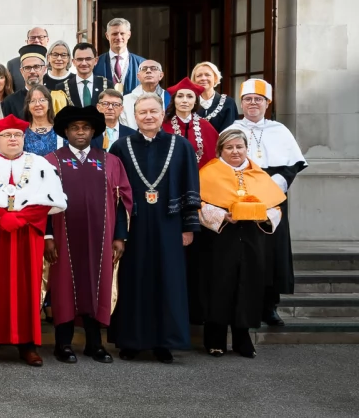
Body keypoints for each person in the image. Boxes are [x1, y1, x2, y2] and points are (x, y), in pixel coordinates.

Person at [0, 114, 67, 367]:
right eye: (7, 135)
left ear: (23, 138)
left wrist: (21, 218)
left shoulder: (39, 164)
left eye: (17, 135)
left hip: (26, 234)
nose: (12, 139)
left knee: (25, 286)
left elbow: (49, 199)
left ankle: (27, 344)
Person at [109, 93, 200, 363]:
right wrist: (118, 233)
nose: (148, 116)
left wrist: (188, 227)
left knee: (168, 281)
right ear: (134, 117)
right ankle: (131, 341)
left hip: (169, 223)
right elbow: (113, 194)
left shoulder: (181, 146)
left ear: (162, 115)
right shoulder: (120, 147)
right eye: (142, 112)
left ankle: (165, 342)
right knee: (133, 280)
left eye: (153, 112)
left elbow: (190, 187)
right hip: (133, 224)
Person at [44, 106, 132, 364]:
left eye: (85, 127)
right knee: (64, 287)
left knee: (97, 285)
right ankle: (63, 344)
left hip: (101, 241)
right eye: (74, 128)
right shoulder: (52, 161)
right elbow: (41, 203)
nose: (80, 132)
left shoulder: (110, 161)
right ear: (66, 132)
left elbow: (123, 200)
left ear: (93, 131)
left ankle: (95, 344)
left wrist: (119, 236)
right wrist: (47, 236)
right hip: (62, 238)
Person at [197, 129, 285, 358]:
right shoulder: (208, 173)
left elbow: (275, 208)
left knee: (249, 285)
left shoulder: (260, 175)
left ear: (247, 149)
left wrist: (264, 215)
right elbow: (199, 205)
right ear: (220, 150)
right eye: (229, 147)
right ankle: (214, 339)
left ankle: (242, 338)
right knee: (219, 285)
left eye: (239, 147)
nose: (235, 151)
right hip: (221, 239)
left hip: (252, 239)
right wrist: (222, 215)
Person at [227, 79, 307, 327]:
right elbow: (225, 160)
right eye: (248, 99)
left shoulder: (279, 130)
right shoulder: (231, 128)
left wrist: (279, 181)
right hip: (242, 195)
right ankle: (243, 304)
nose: (253, 103)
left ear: (267, 103)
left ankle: (269, 306)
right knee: (247, 251)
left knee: (273, 251)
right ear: (242, 103)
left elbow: (294, 163)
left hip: (272, 196)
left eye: (258, 99)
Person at [163, 78, 219, 169]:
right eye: (180, 96)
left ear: (195, 101)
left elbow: (215, 156)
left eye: (190, 96)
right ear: (174, 100)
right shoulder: (163, 125)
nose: (184, 100)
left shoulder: (205, 126)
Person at [2, 45, 52, 120]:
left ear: (44, 69)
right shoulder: (9, 102)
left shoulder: (55, 98)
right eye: (27, 68)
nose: (32, 71)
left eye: (36, 67)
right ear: (21, 71)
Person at [94, 19, 145, 93]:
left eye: (122, 33)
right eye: (114, 34)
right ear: (107, 36)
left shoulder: (142, 64)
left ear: (129, 35)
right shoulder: (96, 63)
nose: (118, 37)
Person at [120, 59, 170, 128]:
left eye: (154, 68)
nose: (148, 71)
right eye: (144, 69)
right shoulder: (125, 100)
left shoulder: (169, 98)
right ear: (138, 77)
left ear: (161, 75)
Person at [192, 62, 239, 133]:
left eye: (207, 75)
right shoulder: (190, 103)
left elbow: (230, 132)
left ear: (215, 78)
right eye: (199, 76)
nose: (203, 78)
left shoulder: (228, 103)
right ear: (194, 80)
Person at [64, 42, 112, 109]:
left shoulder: (107, 85)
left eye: (88, 59)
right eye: (79, 59)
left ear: (96, 61)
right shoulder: (62, 87)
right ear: (74, 62)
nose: (84, 63)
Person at [23, 84, 63, 157]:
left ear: (49, 104)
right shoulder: (22, 133)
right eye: (33, 101)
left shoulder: (61, 131)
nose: (37, 104)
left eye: (42, 100)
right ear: (28, 106)